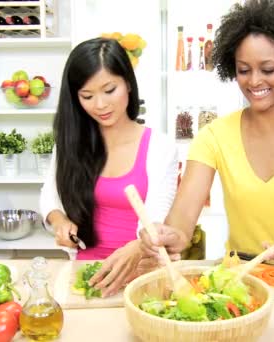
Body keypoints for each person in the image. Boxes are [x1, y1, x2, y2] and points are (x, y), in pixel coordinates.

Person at [140, 0, 274, 263]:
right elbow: (182, 221)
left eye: (268, 69)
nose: (254, 81)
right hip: (239, 279)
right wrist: (168, 236)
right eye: (244, 70)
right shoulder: (213, 137)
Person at [39, 38, 178, 296]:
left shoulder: (159, 146)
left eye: (109, 90)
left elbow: (156, 218)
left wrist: (137, 247)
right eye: (87, 96)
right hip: (86, 275)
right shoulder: (71, 143)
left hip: (141, 275)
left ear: (127, 82)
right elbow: (50, 194)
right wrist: (59, 221)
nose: (100, 105)